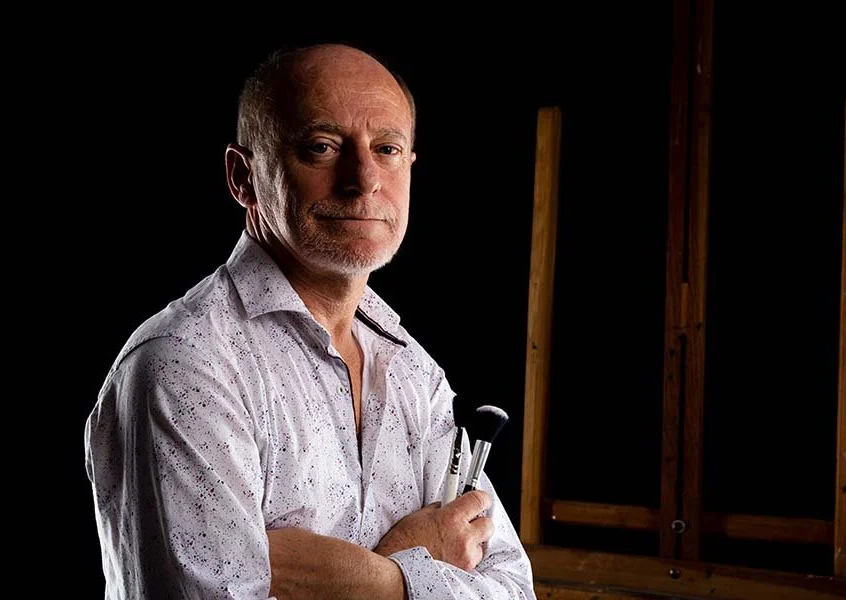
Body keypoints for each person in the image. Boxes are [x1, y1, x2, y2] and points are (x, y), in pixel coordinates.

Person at [85, 42, 535, 599]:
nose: (363, 178)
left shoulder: (415, 375)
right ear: (243, 176)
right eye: (322, 147)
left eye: (387, 149)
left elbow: (514, 590)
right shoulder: (187, 367)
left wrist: (379, 580)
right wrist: (418, 570)